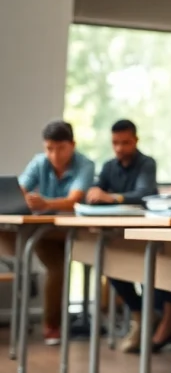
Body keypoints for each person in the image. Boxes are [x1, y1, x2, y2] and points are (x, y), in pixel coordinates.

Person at [8, 121, 95, 344]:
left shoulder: (85, 165)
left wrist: (45, 203)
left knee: (68, 269)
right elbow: (19, 191)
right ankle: (51, 325)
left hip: (76, 233)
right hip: (44, 232)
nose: (54, 155)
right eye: (49, 148)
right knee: (57, 271)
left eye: (60, 148)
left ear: (72, 145)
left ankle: (64, 322)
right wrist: (23, 199)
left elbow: (74, 201)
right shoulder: (39, 163)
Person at [88, 119, 166, 353]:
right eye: (115, 143)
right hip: (118, 233)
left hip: (148, 234)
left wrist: (112, 197)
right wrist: (93, 195)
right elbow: (97, 191)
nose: (120, 148)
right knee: (110, 264)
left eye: (125, 142)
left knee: (152, 272)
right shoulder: (109, 166)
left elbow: (143, 194)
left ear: (136, 140)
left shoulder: (147, 163)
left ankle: (149, 317)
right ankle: (141, 313)